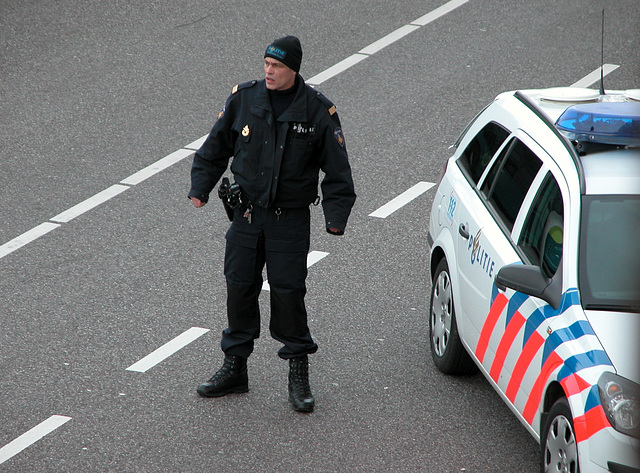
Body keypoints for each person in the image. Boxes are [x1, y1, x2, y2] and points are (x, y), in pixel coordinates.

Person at [188, 35, 356, 412]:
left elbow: (338, 171)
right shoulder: (245, 99)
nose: (268, 70)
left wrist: (335, 217)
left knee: (288, 292)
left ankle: (298, 370)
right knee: (239, 287)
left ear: (293, 70)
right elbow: (214, 148)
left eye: (276, 66)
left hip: (289, 221)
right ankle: (235, 368)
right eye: (266, 63)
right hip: (246, 216)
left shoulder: (316, 111)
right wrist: (200, 188)